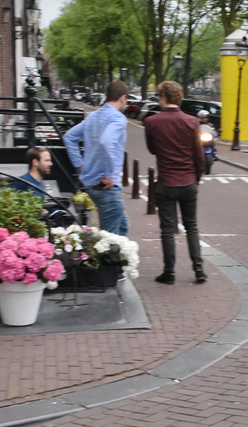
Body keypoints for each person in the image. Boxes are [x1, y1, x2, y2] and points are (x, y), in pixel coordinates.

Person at [144, 80, 206, 284]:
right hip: (188, 181)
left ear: (162, 96)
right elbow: (199, 155)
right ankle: (198, 269)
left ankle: (169, 272)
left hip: (166, 182)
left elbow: (152, 149)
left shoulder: (152, 122)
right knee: (192, 226)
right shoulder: (191, 122)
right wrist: (196, 177)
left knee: (167, 229)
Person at [63, 80, 130, 236]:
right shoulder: (118, 119)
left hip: (90, 182)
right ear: (123, 98)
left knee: (122, 227)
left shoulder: (93, 116)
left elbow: (69, 137)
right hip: (105, 185)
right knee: (110, 240)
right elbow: (106, 142)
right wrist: (108, 174)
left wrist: (80, 165)